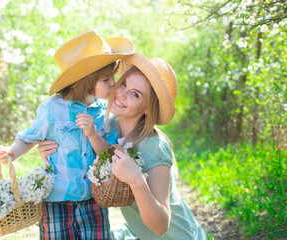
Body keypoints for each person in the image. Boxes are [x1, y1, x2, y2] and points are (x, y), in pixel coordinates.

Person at [38, 52, 207, 239]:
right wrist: (53, 148)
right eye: (124, 84)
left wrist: (136, 180)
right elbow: (87, 149)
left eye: (135, 94)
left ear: (147, 109)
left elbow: (161, 225)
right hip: (139, 234)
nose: (122, 94)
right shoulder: (108, 129)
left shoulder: (153, 146)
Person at [0, 30, 135, 240]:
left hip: (93, 198)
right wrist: (12, 153)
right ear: (86, 81)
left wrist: (93, 134)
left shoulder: (106, 112)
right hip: (56, 200)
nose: (113, 83)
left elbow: (110, 154)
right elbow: (28, 137)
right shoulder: (53, 109)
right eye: (106, 79)